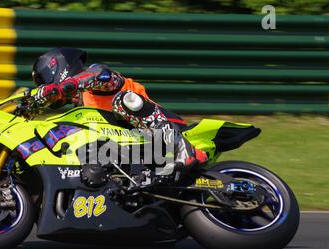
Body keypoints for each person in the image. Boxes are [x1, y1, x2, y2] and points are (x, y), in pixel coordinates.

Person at [27, 47, 208, 172]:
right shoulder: (80, 110)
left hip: (167, 128)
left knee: (122, 101)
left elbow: (101, 75)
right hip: (139, 147)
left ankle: (182, 148)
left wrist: (63, 87)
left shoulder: (94, 78)